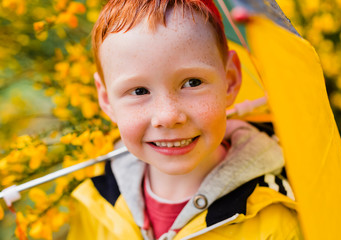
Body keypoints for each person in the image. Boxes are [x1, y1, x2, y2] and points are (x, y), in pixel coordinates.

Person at [67, 0, 303, 239]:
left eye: (192, 82)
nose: (168, 117)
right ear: (106, 99)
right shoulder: (96, 201)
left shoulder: (273, 222)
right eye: (139, 91)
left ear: (230, 80)